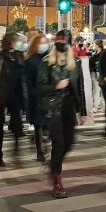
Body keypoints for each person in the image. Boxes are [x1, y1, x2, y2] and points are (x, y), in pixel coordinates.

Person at [37, 30, 78, 198]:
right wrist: (56, 86)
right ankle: (57, 179)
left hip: (69, 108)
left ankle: (54, 165)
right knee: (59, 144)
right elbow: (40, 88)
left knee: (69, 142)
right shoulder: (46, 63)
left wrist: (82, 110)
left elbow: (78, 88)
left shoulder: (74, 63)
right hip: (53, 109)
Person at [0, 32, 27, 167]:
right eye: (17, 41)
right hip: (1, 96)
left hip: (16, 96)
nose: (19, 43)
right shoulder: (0, 57)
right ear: (10, 42)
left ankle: (16, 153)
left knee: (17, 125)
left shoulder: (19, 56)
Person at [24, 34, 51, 162]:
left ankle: (47, 145)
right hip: (36, 96)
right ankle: (40, 150)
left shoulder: (50, 59)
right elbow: (27, 80)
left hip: (49, 95)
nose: (44, 46)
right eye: (41, 43)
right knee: (38, 124)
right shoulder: (30, 61)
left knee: (49, 123)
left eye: (45, 43)